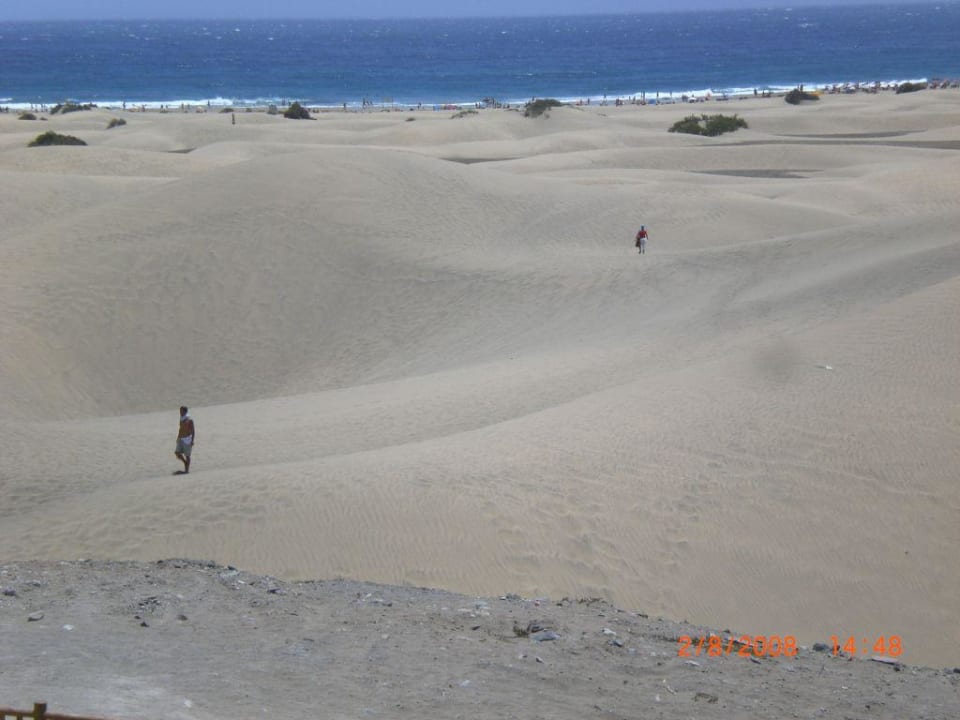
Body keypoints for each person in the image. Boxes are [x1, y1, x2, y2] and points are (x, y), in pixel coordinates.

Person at [175, 406, 196, 474]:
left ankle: (187, 470)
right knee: (177, 453)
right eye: (180, 411)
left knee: (187, 455)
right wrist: (178, 437)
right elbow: (180, 429)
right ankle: (185, 463)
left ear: (185, 411)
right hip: (181, 438)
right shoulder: (181, 419)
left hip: (187, 439)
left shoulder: (189, 420)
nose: (180, 412)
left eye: (181, 411)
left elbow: (193, 431)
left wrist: (192, 440)